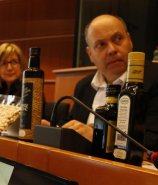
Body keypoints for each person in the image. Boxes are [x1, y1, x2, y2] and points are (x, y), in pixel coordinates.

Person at [62, 14, 158, 151]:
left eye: (118, 39)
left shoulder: (154, 78)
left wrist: (98, 136)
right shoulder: (83, 86)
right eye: (101, 44)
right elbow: (74, 125)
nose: (112, 50)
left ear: (129, 41)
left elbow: (152, 141)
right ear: (90, 54)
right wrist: (54, 128)